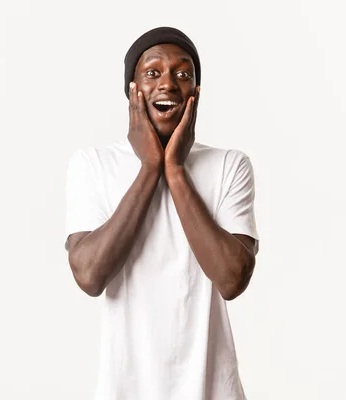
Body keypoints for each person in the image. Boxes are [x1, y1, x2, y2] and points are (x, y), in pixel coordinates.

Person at [64, 26, 259, 400]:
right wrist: (149, 168)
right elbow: (89, 275)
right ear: (132, 90)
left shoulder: (229, 165)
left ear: (195, 94)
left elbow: (232, 279)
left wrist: (175, 171)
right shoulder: (93, 165)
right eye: (152, 73)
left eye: (183, 74)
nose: (168, 84)